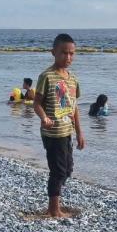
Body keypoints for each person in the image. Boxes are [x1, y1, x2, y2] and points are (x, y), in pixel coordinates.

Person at [34, 33, 85, 218]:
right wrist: (44, 117)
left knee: (68, 168)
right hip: (52, 132)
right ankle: (54, 209)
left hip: (66, 131)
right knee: (57, 170)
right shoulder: (46, 76)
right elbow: (36, 103)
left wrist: (79, 132)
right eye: (64, 53)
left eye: (72, 53)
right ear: (53, 52)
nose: (68, 57)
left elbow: (74, 107)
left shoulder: (73, 79)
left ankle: (55, 200)